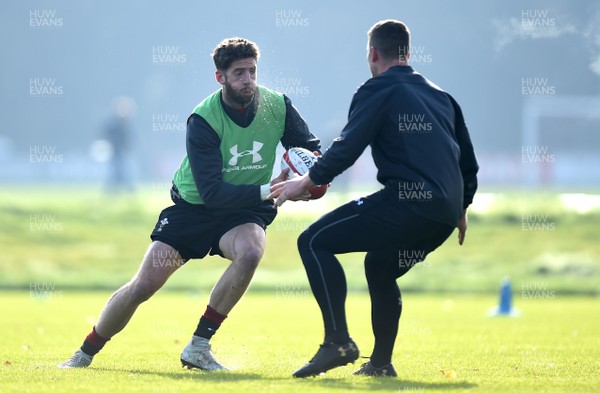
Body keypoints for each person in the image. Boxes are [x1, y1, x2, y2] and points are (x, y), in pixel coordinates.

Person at [58, 37, 321, 371]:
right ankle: (84, 354)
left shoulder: (277, 106)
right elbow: (212, 192)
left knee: (251, 251)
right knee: (144, 285)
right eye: (238, 73)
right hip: (195, 207)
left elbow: (310, 148)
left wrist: (310, 176)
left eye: (252, 71)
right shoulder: (203, 119)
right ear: (220, 77)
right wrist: (269, 190)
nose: (247, 80)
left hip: (244, 209)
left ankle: (199, 346)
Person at [269, 20, 479, 378]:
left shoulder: (377, 89)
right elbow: (468, 162)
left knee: (313, 241)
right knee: (380, 267)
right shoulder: (442, 96)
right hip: (442, 215)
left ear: (372, 54)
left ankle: (337, 342)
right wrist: (461, 207)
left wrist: (306, 182)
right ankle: (381, 364)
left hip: (408, 203)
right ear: (408, 53)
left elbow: (348, 147)